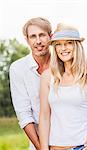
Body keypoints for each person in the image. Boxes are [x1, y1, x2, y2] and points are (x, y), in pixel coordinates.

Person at [39, 23, 87, 150]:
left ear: (77, 45)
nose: (63, 48)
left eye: (68, 43)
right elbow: (44, 117)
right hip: (54, 147)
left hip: (83, 146)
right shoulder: (47, 77)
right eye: (58, 44)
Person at [9, 17, 52, 150]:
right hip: (39, 142)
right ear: (27, 40)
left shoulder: (63, 62)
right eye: (33, 36)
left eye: (42, 35)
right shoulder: (18, 69)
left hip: (70, 138)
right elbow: (24, 115)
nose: (38, 41)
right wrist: (42, 148)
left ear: (51, 36)